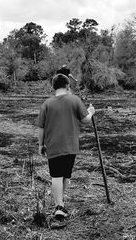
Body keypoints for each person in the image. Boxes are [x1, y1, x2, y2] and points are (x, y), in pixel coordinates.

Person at [37, 73, 95, 220]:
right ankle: (61, 204)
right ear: (68, 86)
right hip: (71, 145)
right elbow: (86, 120)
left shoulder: (47, 104)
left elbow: (41, 128)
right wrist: (91, 112)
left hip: (53, 145)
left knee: (56, 176)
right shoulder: (74, 100)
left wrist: (40, 145)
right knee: (65, 175)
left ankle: (59, 206)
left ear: (53, 87)